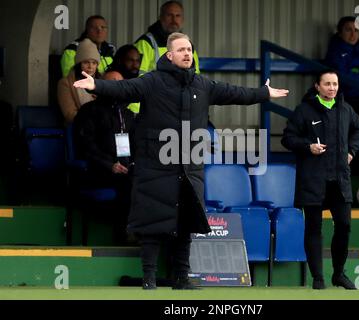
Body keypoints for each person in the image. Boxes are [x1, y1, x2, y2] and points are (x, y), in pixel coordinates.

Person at [74, 32, 289, 290]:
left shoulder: (202, 85)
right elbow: (124, 88)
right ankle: (149, 278)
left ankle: (181, 278)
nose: (187, 53)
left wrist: (264, 93)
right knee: (152, 224)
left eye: (189, 49)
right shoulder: (151, 82)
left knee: (186, 224)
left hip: (190, 166)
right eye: (182, 50)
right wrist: (96, 85)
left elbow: (235, 93)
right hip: (155, 166)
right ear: (169, 55)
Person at [282, 70, 359, 290]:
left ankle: (339, 274)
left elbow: (358, 129)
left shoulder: (345, 109)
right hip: (313, 179)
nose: (332, 88)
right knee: (314, 228)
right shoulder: (304, 110)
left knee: (344, 225)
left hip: (339, 179)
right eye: (327, 84)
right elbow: (288, 138)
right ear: (317, 86)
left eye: (335, 84)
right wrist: (308, 147)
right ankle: (318, 278)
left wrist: (352, 152)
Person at [73, 71, 136, 244]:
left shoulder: (128, 115)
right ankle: (125, 236)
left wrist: (135, 165)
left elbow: (138, 146)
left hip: (125, 170)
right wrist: (109, 165)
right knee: (128, 185)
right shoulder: (89, 112)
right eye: (112, 83)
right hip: (97, 171)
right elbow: (86, 146)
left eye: (120, 84)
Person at [134, 1, 200, 74]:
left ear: (183, 19)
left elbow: (195, 75)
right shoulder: (145, 43)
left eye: (177, 15)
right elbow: (139, 77)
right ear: (161, 17)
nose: (174, 20)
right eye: (169, 15)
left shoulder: (188, 45)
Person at [58, 38, 100, 124]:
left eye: (94, 63)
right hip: (79, 129)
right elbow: (70, 114)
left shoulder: (102, 81)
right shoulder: (66, 83)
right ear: (78, 64)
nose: (90, 67)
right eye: (86, 62)